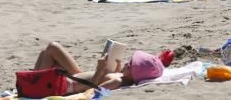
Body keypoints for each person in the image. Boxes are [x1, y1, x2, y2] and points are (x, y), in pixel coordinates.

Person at [29, 44, 162, 92]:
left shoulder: (117, 82)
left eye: (131, 64)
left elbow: (92, 91)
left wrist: (100, 69)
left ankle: (34, 87)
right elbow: (106, 79)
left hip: (70, 85)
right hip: (77, 77)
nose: (128, 63)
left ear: (134, 73)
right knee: (48, 51)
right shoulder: (122, 78)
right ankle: (33, 83)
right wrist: (117, 69)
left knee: (51, 49)